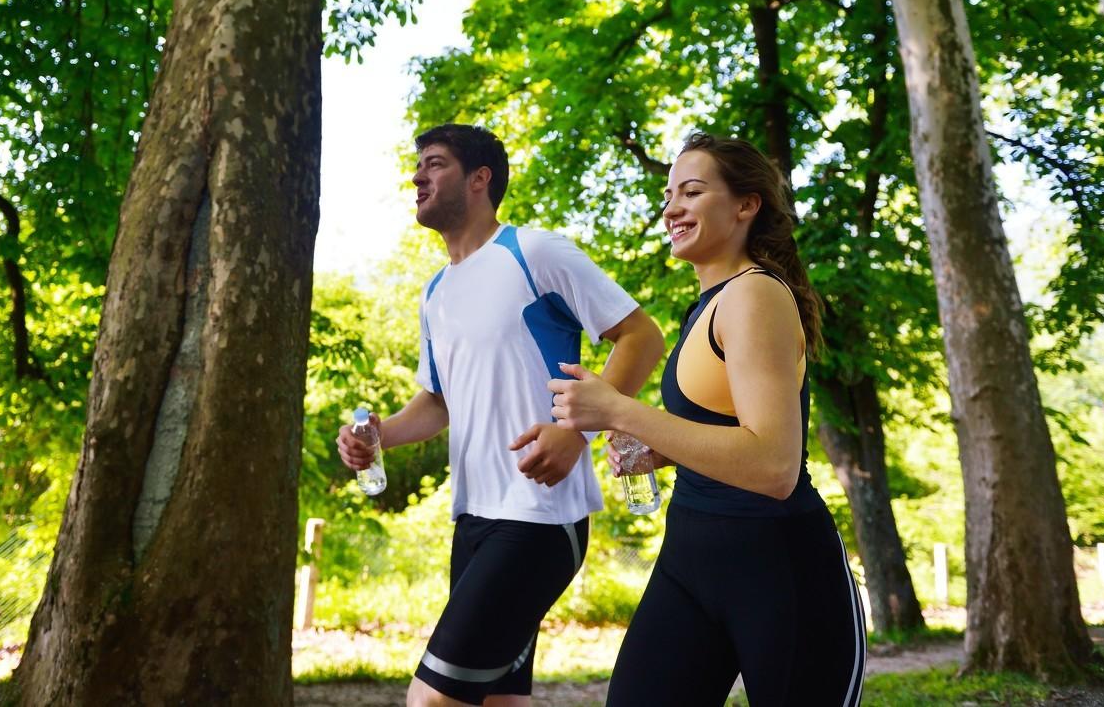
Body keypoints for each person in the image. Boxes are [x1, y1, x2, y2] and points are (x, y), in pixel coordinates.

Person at [337, 124, 665, 707]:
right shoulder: (435, 292)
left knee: (432, 700)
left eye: (435, 164)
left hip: (538, 517)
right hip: (474, 520)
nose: (417, 177)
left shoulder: (533, 253)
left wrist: (576, 432)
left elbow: (640, 335)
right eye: (419, 167)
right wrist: (376, 435)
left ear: (479, 178)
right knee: (498, 701)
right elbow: (437, 403)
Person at [548, 132, 866, 706]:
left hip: (781, 572)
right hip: (692, 560)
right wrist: (659, 447)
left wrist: (623, 410)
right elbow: (729, 428)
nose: (671, 208)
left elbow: (774, 466)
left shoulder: (756, 295)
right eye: (669, 195)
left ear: (747, 205)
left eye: (691, 192)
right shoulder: (709, 303)